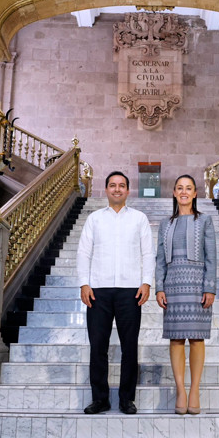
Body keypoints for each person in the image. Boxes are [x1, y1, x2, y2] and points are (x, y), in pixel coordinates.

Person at [77, 171, 154, 415]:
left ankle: (126, 399)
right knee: (98, 346)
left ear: (128, 191)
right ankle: (100, 399)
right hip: (98, 291)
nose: (117, 189)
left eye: (122, 185)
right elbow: (83, 253)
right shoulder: (95, 219)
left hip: (130, 291)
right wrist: (84, 284)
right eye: (113, 185)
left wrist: (146, 283)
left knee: (129, 346)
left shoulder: (139, 219)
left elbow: (147, 254)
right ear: (106, 190)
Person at [155, 175, 216, 415]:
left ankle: (195, 390)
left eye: (188, 188)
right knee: (176, 339)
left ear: (194, 193)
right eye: (179, 188)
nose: (183, 192)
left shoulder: (206, 221)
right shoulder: (165, 224)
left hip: (197, 285)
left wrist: (209, 287)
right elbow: (160, 259)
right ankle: (181, 390)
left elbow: (212, 257)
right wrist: (159, 286)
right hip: (172, 286)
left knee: (197, 339)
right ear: (173, 192)